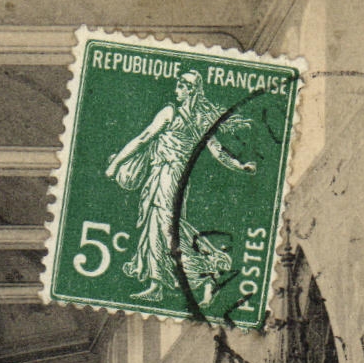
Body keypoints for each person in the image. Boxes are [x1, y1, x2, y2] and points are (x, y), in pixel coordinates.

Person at [104, 70, 257, 305]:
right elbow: (218, 152)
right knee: (155, 225)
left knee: (168, 227)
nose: (176, 89)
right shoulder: (196, 119)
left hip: (170, 175)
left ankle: (207, 275)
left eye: (181, 85)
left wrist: (115, 163)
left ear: (189, 90)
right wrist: (240, 165)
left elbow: (144, 138)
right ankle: (156, 284)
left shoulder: (174, 114)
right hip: (163, 175)